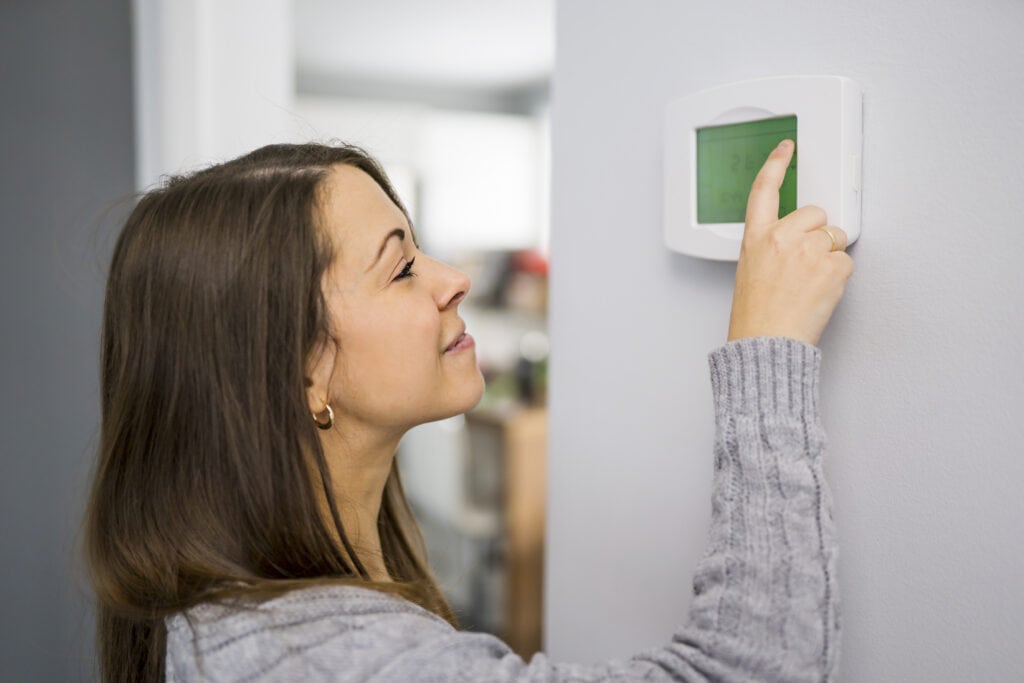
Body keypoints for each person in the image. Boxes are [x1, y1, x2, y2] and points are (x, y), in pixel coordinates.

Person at [84, 139, 852, 682]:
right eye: (402, 266)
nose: (452, 278)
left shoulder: (225, 613)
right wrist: (768, 346)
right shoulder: (338, 660)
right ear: (303, 367)